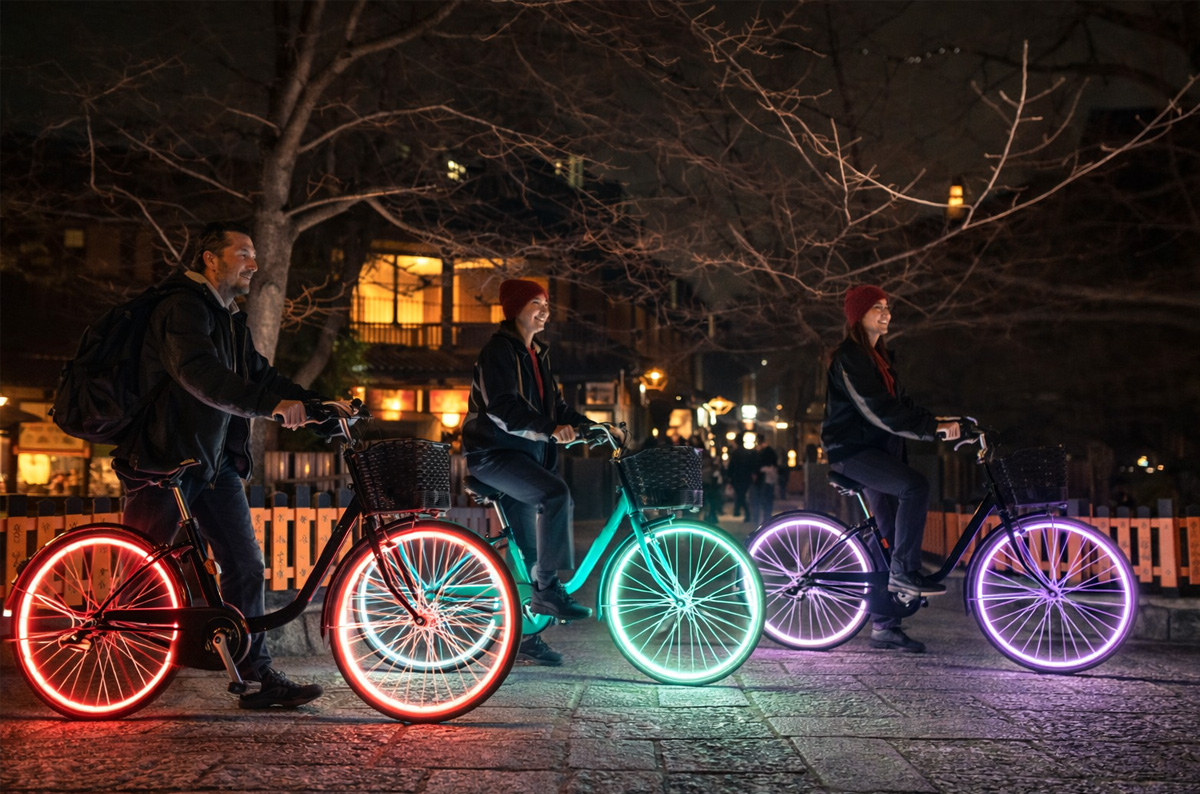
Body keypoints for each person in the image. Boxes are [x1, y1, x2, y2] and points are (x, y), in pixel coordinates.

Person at [112, 221, 326, 709]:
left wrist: (318, 406)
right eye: (244, 254)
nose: (254, 263)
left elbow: (261, 376)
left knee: (246, 566)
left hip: (213, 463)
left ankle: (258, 675)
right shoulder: (181, 307)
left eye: (254, 255)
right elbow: (199, 375)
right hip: (165, 457)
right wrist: (266, 406)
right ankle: (117, 664)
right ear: (211, 258)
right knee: (140, 573)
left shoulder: (229, 317)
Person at [463, 278, 608, 667]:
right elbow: (503, 407)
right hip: (493, 455)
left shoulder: (537, 354)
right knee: (555, 495)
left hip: (522, 461)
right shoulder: (499, 351)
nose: (544, 310)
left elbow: (557, 408)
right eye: (535, 303)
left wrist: (594, 426)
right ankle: (547, 591)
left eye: (546, 303)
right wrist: (548, 429)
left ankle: (525, 634)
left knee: (530, 554)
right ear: (514, 309)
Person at [820, 284, 961, 654]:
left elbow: (901, 405)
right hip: (852, 451)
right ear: (857, 316)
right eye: (876, 308)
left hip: (878, 451)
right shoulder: (850, 358)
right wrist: (931, 429)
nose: (886, 314)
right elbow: (876, 410)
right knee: (915, 487)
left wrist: (940, 420)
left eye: (887, 307)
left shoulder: (880, 357)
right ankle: (903, 573)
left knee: (883, 533)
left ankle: (884, 626)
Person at [749, 433, 778, 526]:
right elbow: (775, 462)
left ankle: (760, 518)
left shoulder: (759, 452)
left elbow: (755, 464)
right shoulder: (768, 450)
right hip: (766, 478)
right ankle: (767, 517)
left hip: (761, 478)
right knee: (767, 499)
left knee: (760, 499)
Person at [727, 440, 756, 521]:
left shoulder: (735, 453)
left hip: (737, 478)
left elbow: (731, 466)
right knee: (741, 495)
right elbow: (751, 465)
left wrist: (729, 477)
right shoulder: (746, 453)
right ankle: (740, 511)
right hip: (745, 478)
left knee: (740, 496)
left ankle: (741, 511)